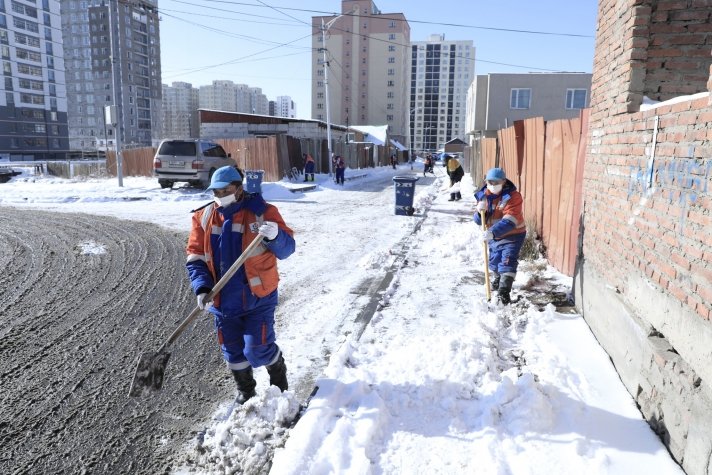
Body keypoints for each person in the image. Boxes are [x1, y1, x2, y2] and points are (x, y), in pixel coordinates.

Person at [186, 166, 296, 404]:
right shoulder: (203, 217)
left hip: (258, 298)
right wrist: (202, 287)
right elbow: (195, 257)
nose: (221, 194)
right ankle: (246, 392)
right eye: (216, 191)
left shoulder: (263, 213)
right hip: (223, 301)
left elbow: (287, 250)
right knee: (233, 351)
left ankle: (279, 382)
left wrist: (276, 236)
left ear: (239, 189)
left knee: (258, 348)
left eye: (227, 189)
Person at [473, 167, 526, 304]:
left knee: (507, 261)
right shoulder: (483, 195)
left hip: (513, 236)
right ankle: (497, 280)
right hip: (494, 237)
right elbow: (479, 221)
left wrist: (492, 232)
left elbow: (510, 220)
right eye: (490, 182)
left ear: (504, 181)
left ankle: (504, 292)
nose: (493, 185)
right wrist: (479, 213)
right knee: (495, 261)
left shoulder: (513, 196)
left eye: (497, 182)